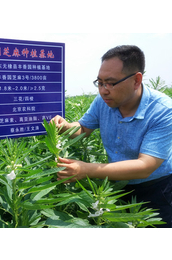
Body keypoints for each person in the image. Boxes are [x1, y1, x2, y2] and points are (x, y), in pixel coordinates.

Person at [52, 45, 172, 228]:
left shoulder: (163, 110)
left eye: (110, 83)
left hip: (156, 191)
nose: (103, 90)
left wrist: (87, 169)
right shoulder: (103, 101)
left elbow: (145, 166)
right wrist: (66, 127)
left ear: (136, 80)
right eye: (99, 82)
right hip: (114, 187)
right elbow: (83, 129)